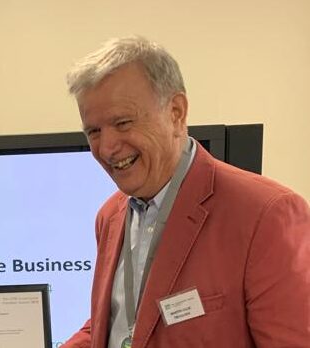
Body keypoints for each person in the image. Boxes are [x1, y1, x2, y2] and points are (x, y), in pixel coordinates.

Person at [61, 36, 310, 348]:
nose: (107, 148)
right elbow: (121, 324)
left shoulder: (266, 214)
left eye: (123, 123)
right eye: (93, 131)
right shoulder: (110, 216)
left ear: (176, 112)